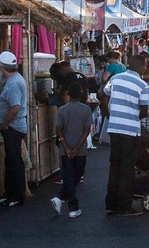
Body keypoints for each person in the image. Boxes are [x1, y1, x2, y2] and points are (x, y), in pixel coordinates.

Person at [103, 54, 149, 216]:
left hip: (114, 128)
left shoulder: (115, 79)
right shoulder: (142, 85)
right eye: (144, 65)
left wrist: (109, 114)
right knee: (127, 168)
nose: (145, 68)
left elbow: (103, 95)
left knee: (114, 165)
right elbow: (144, 110)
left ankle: (111, 203)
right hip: (130, 130)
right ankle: (124, 205)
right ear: (139, 67)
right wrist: (134, 115)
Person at [50, 82, 93, 219]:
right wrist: (77, 147)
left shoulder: (62, 109)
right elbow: (87, 130)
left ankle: (61, 197)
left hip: (65, 149)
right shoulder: (86, 109)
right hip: (80, 150)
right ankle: (72, 206)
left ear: (68, 94)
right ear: (80, 93)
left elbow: (58, 129)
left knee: (68, 175)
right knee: (78, 173)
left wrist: (67, 146)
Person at [0, 51, 28, 208]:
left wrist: (5, 123)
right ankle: (10, 193)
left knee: (14, 161)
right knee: (11, 160)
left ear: (2, 67)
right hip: (14, 126)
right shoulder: (14, 80)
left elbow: (15, 107)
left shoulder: (13, 83)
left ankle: (17, 195)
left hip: (13, 127)